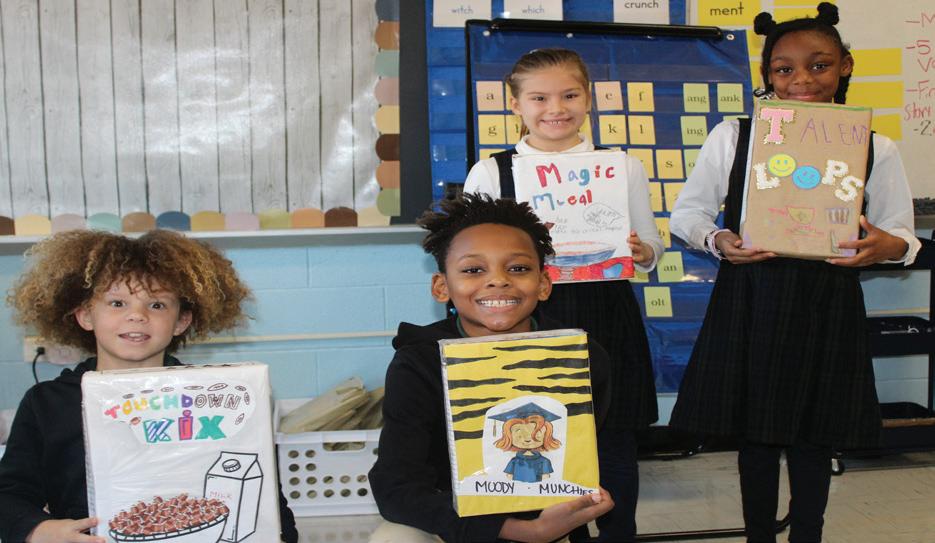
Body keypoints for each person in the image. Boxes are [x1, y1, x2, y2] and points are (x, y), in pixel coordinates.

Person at [668, 4, 921, 542]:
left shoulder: (876, 145)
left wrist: (885, 246)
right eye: (784, 69)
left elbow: (902, 234)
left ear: (845, 67)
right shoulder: (734, 137)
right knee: (755, 435)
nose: (802, 79)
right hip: (752, 297)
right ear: (767, 75)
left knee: (815, 434)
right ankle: (759, 534)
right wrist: (719, 240)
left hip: (827, 300)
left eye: (819, 65)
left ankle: (809, 532)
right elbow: (688, 214)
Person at [463, 47, 663, 541]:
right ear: (515, 105)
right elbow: (469, 254)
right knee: (535, 436)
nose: (556, 108)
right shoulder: (492, 172)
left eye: (570, 95)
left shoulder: (621, 166)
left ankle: (619, 534)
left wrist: (643, 252)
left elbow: (651, 245)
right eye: (539, 98)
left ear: (588, 98)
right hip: (529, 319)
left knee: (614, 442)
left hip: (608, 312)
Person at [0, 229, 299, 543]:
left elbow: (271, 505)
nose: (137, 316)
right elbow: (8, 496)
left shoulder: (220, 400)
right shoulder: (48, 404)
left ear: (181, 321)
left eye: (156, 305)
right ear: (86, 315)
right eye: (117, 302)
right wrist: (39, 530)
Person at [368, 193, 614, 543]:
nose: (498, 280)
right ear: (442, 286)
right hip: (449, 524)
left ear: (544, 284)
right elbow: (395, 487)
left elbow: (582, 461)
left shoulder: (582, 357)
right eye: (473, 270)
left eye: (518, 268)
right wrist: (524, 532)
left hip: (550, 520)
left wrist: (574, 510)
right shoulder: (419, 363)